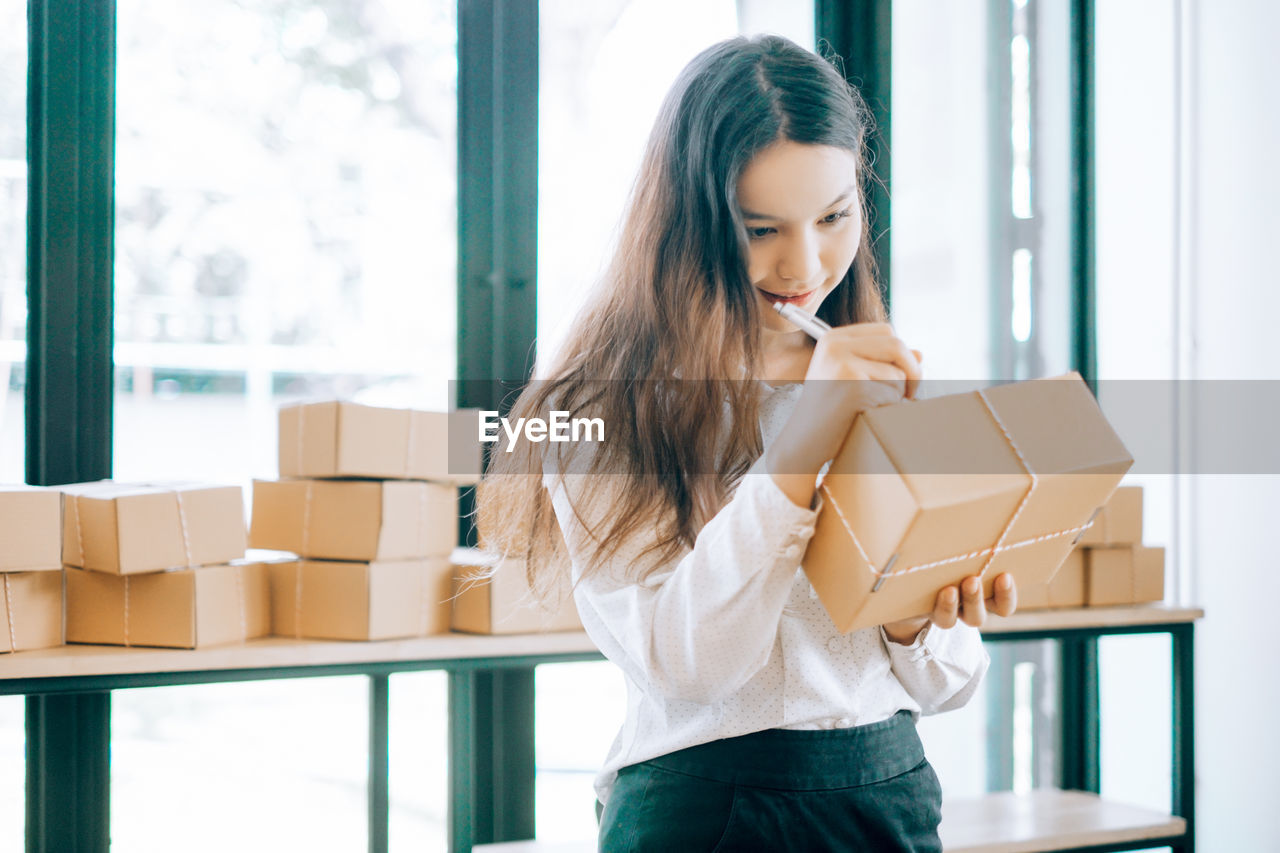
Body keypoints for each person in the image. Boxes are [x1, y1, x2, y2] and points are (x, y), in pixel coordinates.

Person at [477, 34, 1017, 852]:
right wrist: (802, 444)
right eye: (761, 228)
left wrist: (920, 615)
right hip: (705, 811)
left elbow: (949, 681)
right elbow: (690, 670)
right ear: (687, 223)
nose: (805, 263)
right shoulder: (596, 405)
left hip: (889, 797)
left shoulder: (877, 375)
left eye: (834, 216)